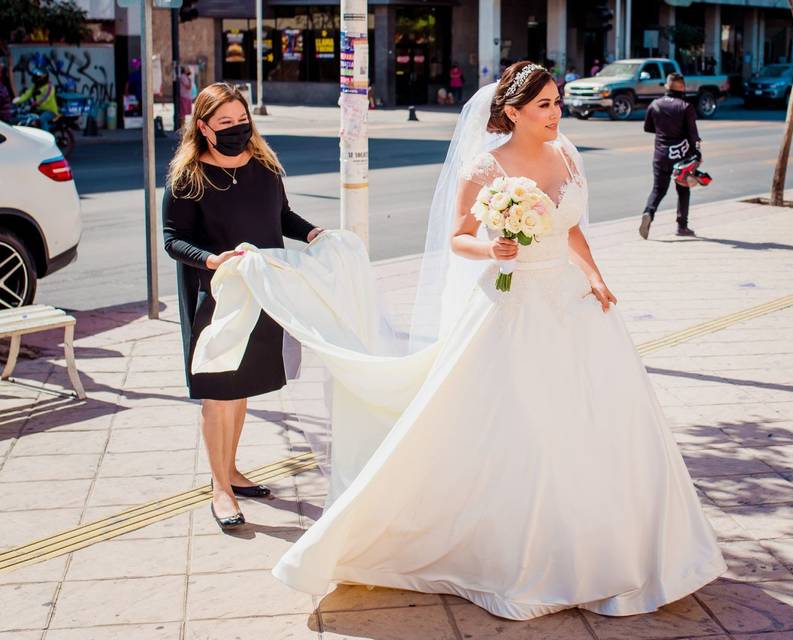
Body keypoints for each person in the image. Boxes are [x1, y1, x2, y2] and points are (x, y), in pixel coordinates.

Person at [192, 61, 726, 620]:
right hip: (512, 305)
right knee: (520, 424)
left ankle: (612, 545)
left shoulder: (567, 153)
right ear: (513, 112)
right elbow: (459, 239)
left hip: (572, 304)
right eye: (543, 105)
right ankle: (521, 549)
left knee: (600, 420)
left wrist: (593, 275)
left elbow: (570, 226)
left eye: (557, 102)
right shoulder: (485, 166)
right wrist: (494, 251)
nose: (555, 112)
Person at [161, 82, 324, 532]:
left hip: (262, 293)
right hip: (214, 298)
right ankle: (220, 488)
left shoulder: (264, 167)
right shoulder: (189, 178)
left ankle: (230, 470)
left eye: (241, 120)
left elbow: (280, 217)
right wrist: (211, 260)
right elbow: (173, 239)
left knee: (241, 387)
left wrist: (313, 233)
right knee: (218, 393)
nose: (237, 129)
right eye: (225, 122)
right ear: (204, 127)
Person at [640, 72, 700, 239]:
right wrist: (697, 153)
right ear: (682, 87)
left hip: (660, 155)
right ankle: (682, 226)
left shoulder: (655, 104)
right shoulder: (685, 106)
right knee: (683, 189)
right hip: (681, 155)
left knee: (658, 189)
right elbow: (692, 135)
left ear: (667, 86)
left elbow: (648, 128)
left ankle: (648, 213)